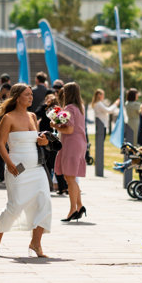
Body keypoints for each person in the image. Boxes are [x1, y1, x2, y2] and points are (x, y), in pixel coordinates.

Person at [0, 84, 52, 257]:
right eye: (27, 95)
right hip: (18, 167)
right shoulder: (8, 118)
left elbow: (36, 140)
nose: (31, 97)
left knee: (44, 202)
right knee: (15, 205)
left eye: (31, 95)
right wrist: (9, 164)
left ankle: (36, 243)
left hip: (36, 168)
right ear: (17, 97)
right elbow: (1, 144)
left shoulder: (33, 116)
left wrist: (43, 142)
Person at [53, 82, 88, 222]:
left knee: (70, 178)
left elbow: (69, 129)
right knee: (70, 178)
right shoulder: (80, 107)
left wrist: (55, 126)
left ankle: (73, 209)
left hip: (71, 143)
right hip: (79, 143)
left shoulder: (69, 108)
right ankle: (79, 206)